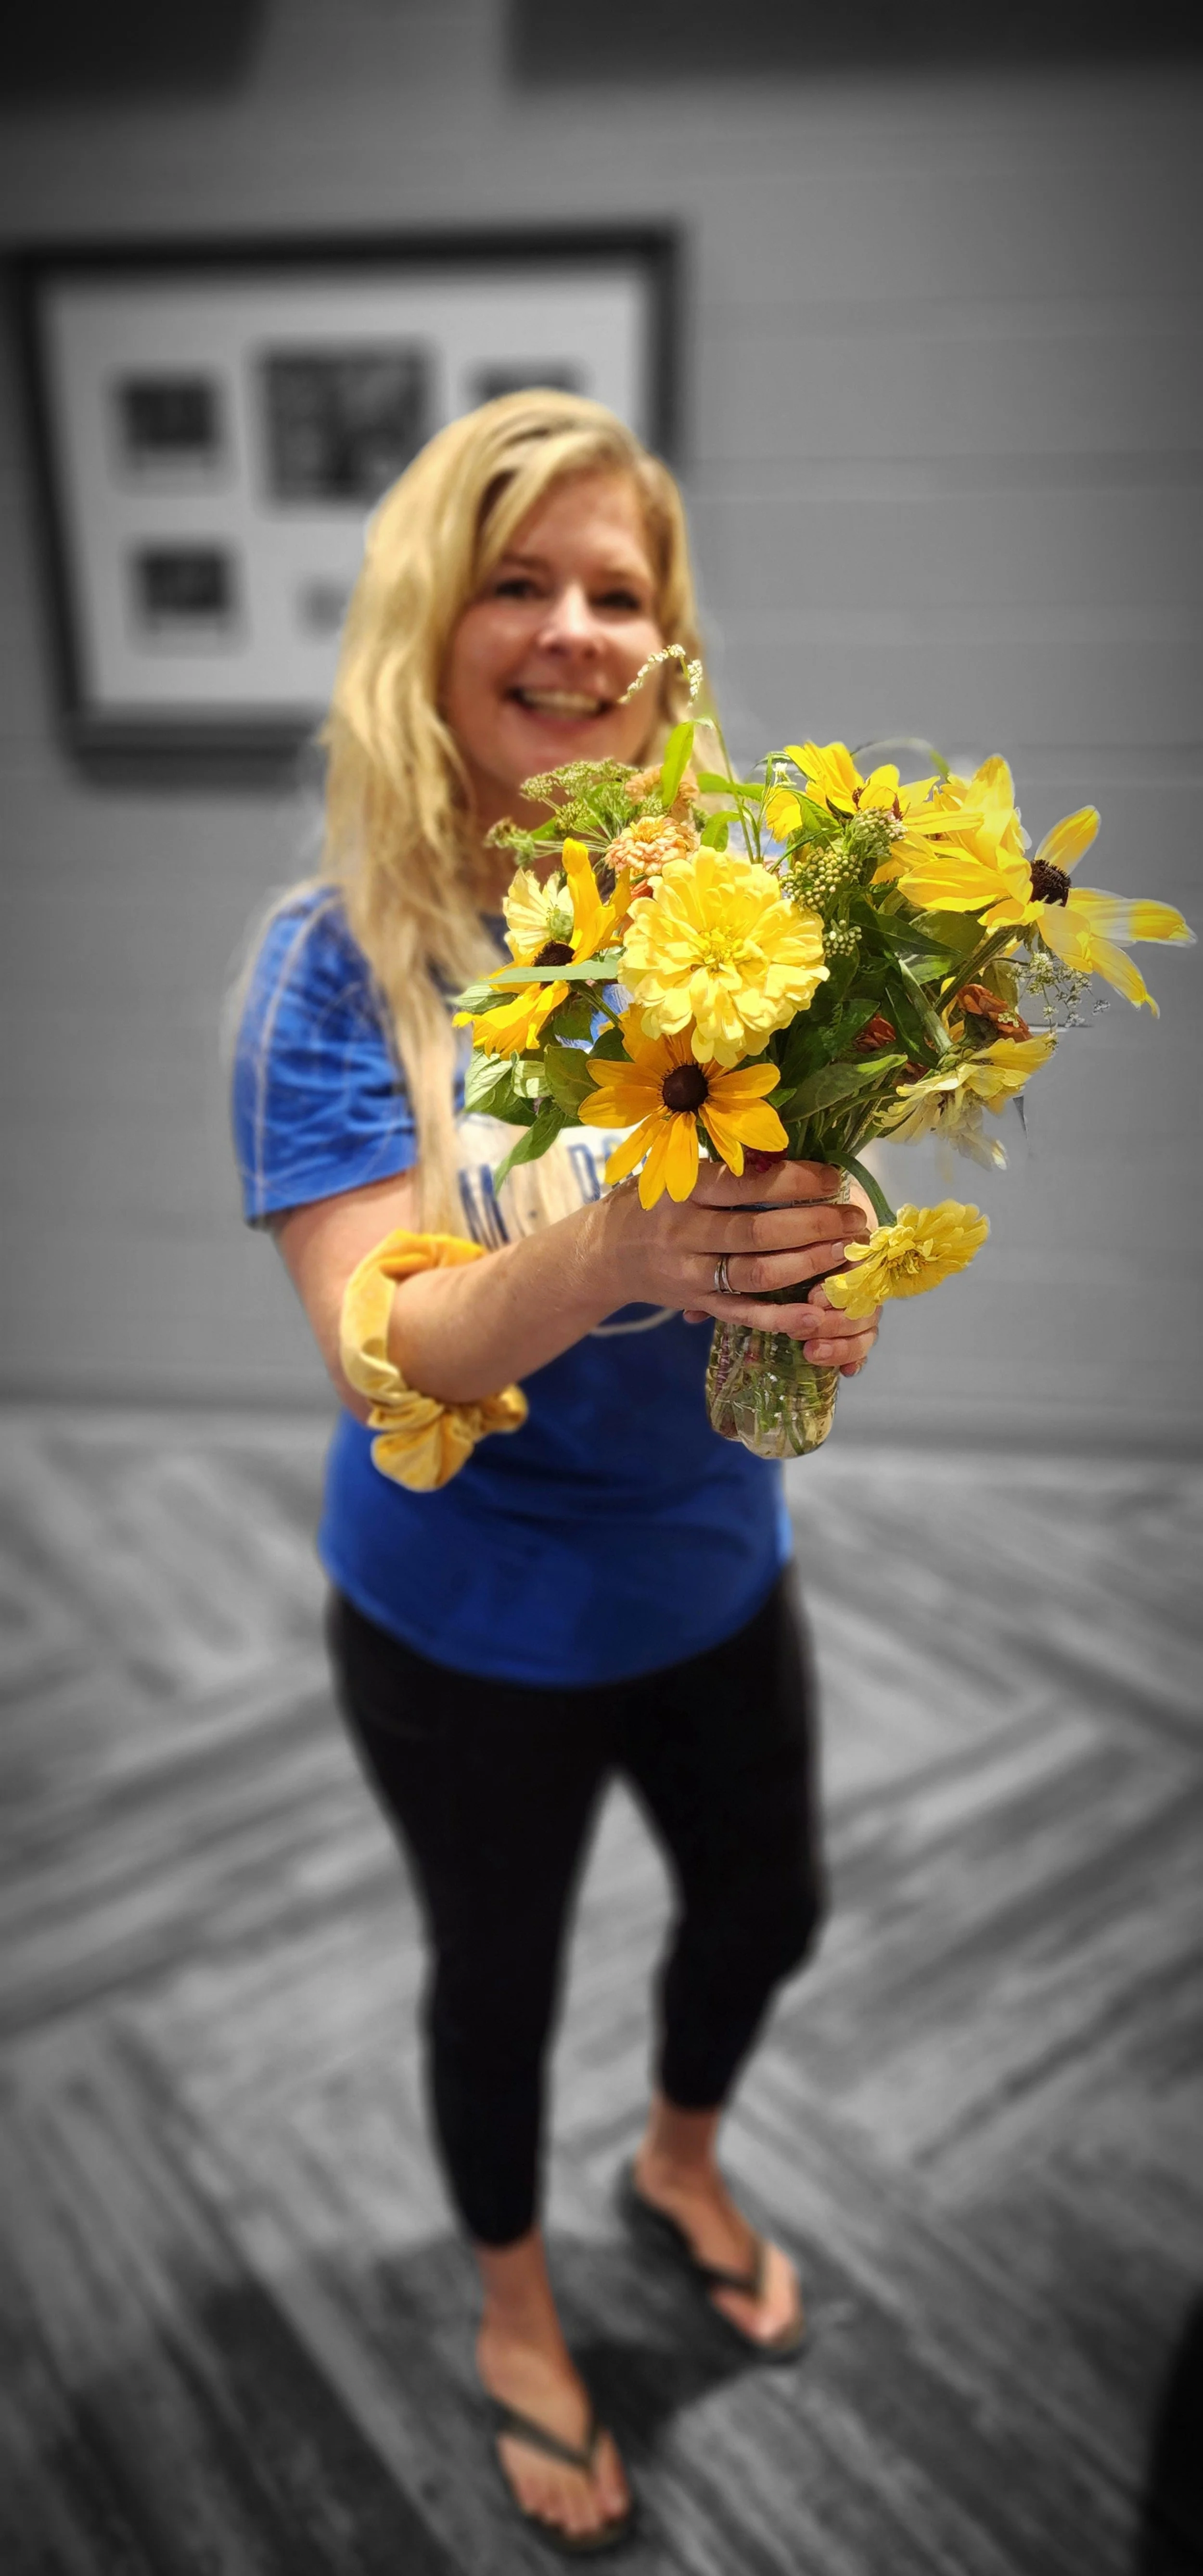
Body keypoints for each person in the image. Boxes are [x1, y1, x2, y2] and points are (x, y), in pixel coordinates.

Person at [231, 391, 881, 2555]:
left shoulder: (737, 912)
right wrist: (616, 1243)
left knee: (768, 1904)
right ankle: (516, 2308)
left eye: (620, 590)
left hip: (714, 1554)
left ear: (670, 647)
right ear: (427, 621)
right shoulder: (332, 967)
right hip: (468, 1612)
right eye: (518, 581)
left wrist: (822, 1281)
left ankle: (676, 2164)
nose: (577, 629)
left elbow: (803, 1214)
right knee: (493, 1980)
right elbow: (380, 1346)